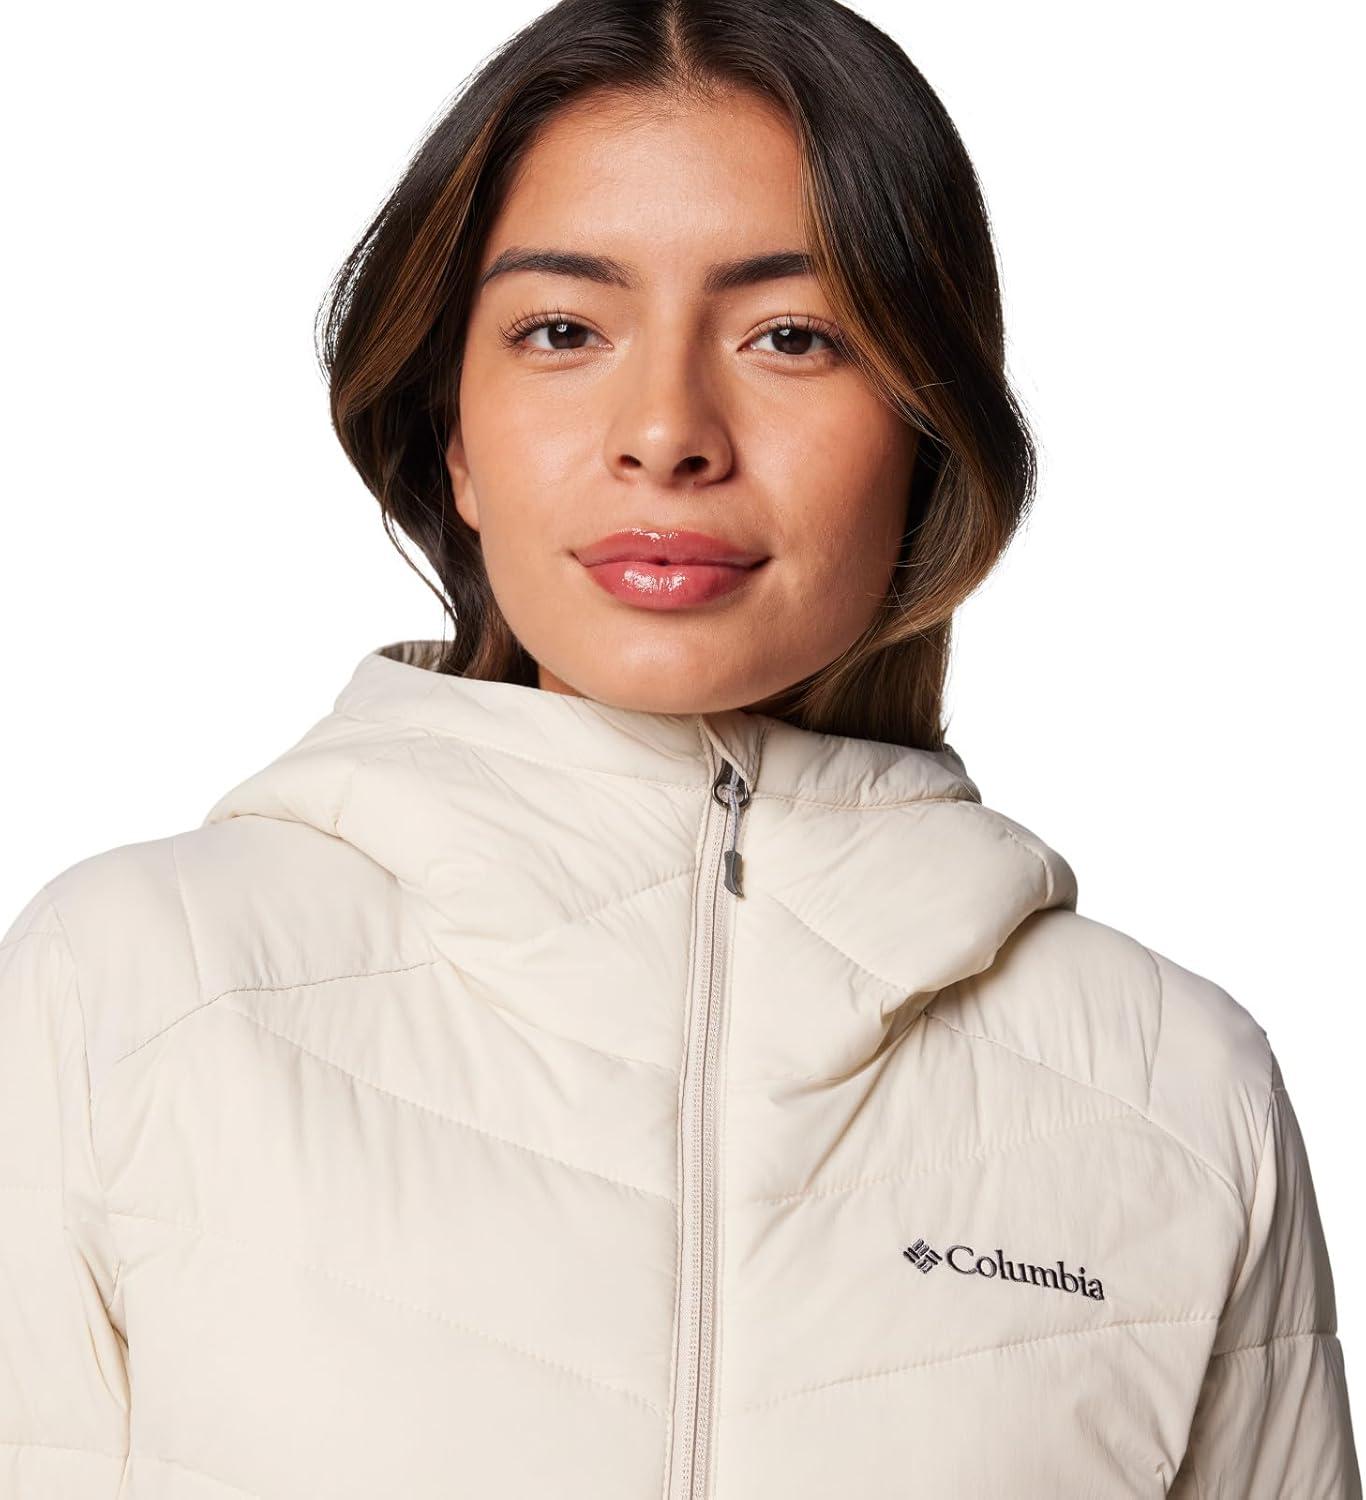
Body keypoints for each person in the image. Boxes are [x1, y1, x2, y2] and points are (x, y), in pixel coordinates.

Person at [1, 0, 1359, 1495]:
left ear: (926, 429)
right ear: (454, 434)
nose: (666, 431)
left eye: (792, 337)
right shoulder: (136, 991)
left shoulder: (1173, 1094)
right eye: (562, 331)